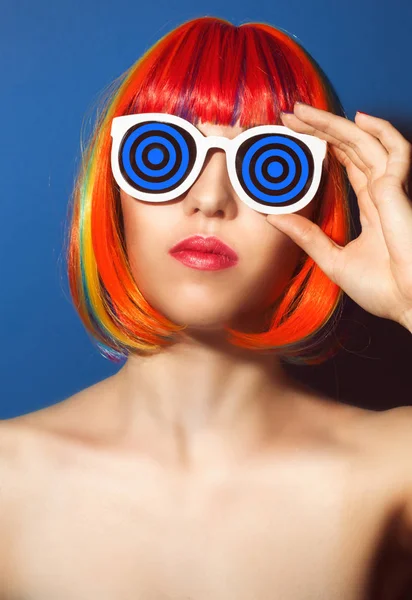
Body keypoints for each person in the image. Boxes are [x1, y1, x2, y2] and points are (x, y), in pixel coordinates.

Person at [1, 15, 412, 600]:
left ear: (320, 205)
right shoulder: (7, 478)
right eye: (163, 154)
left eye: (269, 166)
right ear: (113, 193)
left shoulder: (395, 470)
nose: (211, 200)